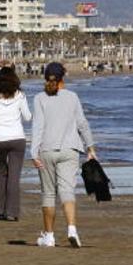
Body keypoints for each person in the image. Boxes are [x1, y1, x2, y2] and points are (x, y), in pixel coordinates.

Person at [31, 62, 97, 248]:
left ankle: (49, 236)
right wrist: (90, 147)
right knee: (68, 191)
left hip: (46, 150)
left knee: (49, 194)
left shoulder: (39, 98)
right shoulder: (72, 97)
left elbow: (38, 127)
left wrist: (33, 152)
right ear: (63, 78)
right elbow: (82, 123)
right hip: (70, 150)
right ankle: (72, 229)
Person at [0, 67, 32, 221]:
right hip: (17, 138)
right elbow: (28, 117)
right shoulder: (20, 95)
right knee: (14, 176)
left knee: (0, 174)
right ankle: (11, 212)